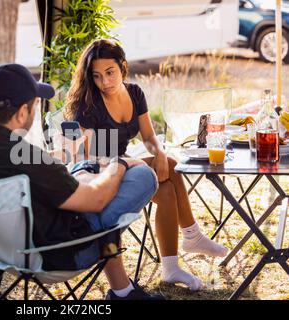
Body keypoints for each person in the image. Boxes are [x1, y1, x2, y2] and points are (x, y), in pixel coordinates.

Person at [0, 63, 165, 300]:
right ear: (22, 112)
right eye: (34, 104)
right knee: (142, 176)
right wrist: (119, 163)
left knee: (87, 173)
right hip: (55, 255)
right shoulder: (26, 159)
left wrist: (62, 161)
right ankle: (123, 293)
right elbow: (96, 200)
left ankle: (123, 290)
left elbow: (27, 169)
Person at [64, 39, 229, 291]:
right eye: (97, 76)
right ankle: (192, 237)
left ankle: (172, 266)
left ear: (123, 66)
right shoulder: (88, 105)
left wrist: (159, 153)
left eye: (110, 73)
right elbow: (90, 159)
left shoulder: (135, 93)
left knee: (166, 179)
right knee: (170, 171)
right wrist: (134, 162)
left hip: (125, 166)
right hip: (100, 177)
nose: (105, 82)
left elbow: (149, 137)